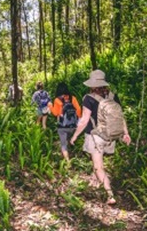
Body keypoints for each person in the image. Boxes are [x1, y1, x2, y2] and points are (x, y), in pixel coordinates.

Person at [70, 69, 131, 205]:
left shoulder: (88, 98)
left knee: (98, 167)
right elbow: (121, 117)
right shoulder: (113, 96)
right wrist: (125, 133)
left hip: (95, 137)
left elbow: (84, 120)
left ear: (92, 85)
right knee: (98, 162)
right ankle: (95, 181)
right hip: (110, 136)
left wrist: (75, 135)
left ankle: (110, 194)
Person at [48, 82, 82, 162]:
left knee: (63, 144)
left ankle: (67, 161)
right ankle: (74, 155)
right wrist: (77, 121)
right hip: (73, 125)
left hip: (62, 126)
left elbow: (55, 113)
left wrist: (50, 106)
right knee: (70, 139)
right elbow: (79, 110)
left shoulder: (57, 100)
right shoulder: (72, 98)